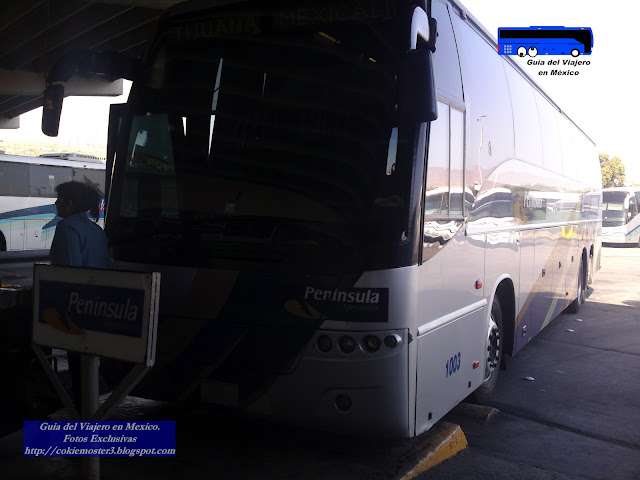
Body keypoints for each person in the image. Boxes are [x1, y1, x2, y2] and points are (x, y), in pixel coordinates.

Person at [49, 181, 114, 409]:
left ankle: (81, 413)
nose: (56, 203)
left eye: (59, 199)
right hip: (98, 305)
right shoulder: (96, 230)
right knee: (90, 361)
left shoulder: (67, 228)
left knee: (78, 365)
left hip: (76, 307)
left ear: (70, 203)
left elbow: (69, 272)